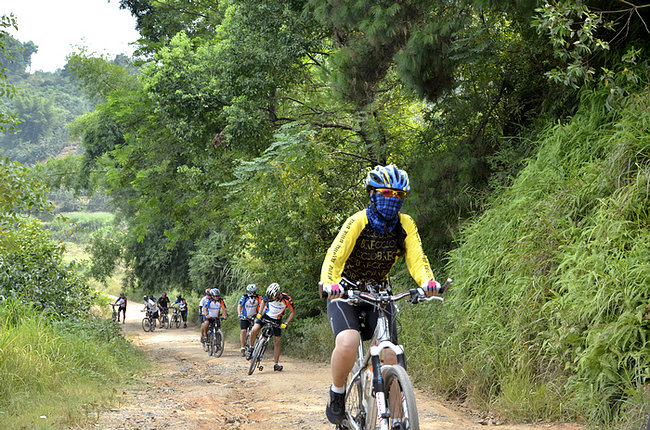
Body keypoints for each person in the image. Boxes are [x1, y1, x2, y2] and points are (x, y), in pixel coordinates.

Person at [320, 164, 441, 425]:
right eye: (386, 192)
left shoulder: (405, 223)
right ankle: (337, 393)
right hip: (347, 292)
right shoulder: (358, 221)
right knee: (349, 342)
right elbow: (335, 256)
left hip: (380, 293)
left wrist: (428, 282)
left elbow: (417, 257)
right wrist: (330, 284)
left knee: (389, 356)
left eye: (399, 195)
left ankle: (398, 419)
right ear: (372, 194)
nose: (392, 199)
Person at [246, 282, 295, 372]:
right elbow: (263, 301)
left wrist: (286, 323)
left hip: (277, 320)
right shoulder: (269, 295)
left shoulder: (287, 299)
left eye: (275, 298)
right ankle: (251, 348)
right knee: (254, 330)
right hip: (266, 316)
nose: (273, 300)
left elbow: (293, 312)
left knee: (277, 341)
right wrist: (260, 313)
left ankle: (276, 364)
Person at [237, 284, 263, 356]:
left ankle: (254, 343)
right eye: (250, 292)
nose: (252, 294)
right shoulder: (244, 297)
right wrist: (239, 314)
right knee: (243, 331)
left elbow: (263, 305)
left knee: (256, 327)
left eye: (254, 292)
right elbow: (239, 306)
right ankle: (242, 347)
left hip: (254, 316)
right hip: (245, 316)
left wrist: (263, 314)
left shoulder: (258, 297)